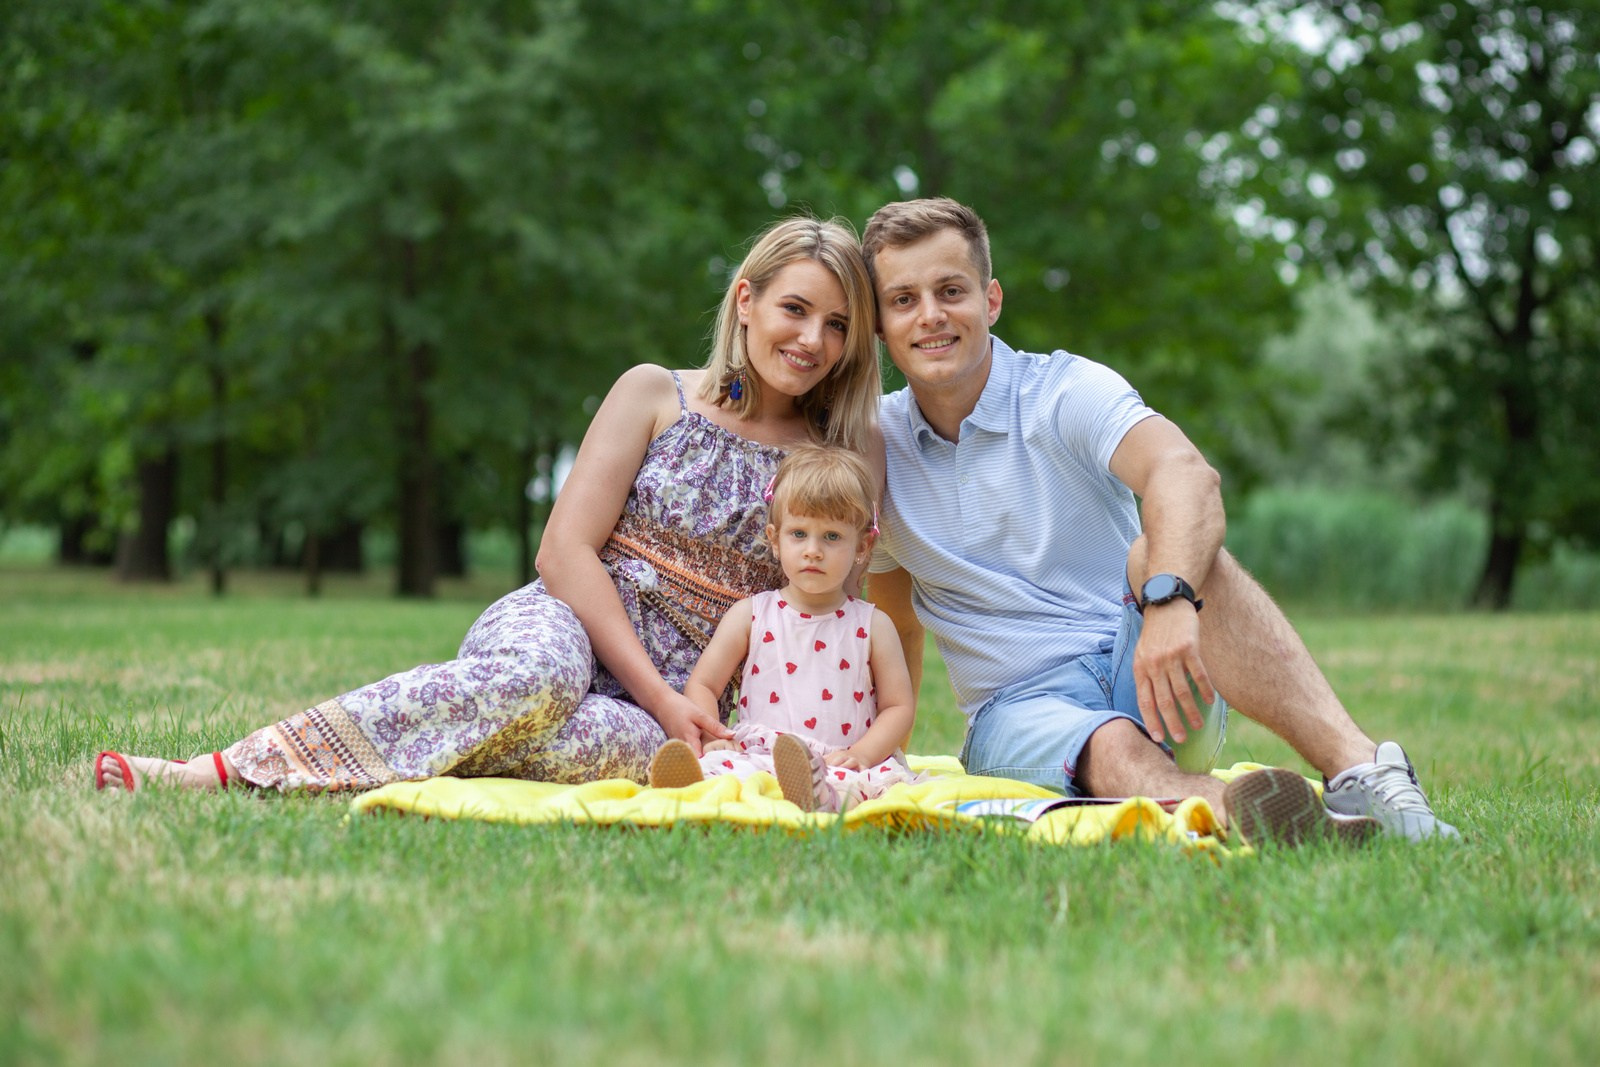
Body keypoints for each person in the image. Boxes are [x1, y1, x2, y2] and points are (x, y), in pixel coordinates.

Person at [93, 215, 883, 794]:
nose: (813, 337)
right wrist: (655, 691)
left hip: (686, 700)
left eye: (837, 324)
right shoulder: (655, 393)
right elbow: (563, 550)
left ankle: (379, 752)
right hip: (568, 623)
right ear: (746, 300)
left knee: (619, 753)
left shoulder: (834, 457)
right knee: (531, 683)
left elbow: (839, 610)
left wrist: (700, 711)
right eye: (795, 309)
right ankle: (221, 769)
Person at [860, 196, 1458, 845]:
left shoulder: (1064, 390)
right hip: (1017, 709)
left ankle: (1362, 770)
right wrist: (878, 748)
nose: (931, 316)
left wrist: (1170, 600)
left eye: (951, 290)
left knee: (1171, 552)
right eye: (904, 300)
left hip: (1149, 662)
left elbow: (1186, 473)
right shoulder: (876, 450)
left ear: (992, 299)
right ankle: (1250, 813)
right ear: (880, 324)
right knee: (1110, 740)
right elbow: (894, 620)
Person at [646, 444, 918, 812]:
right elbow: (705, 684)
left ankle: (819, 797)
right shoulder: (751, 615)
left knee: (858, 788)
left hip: (839, 760)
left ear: (862, 547)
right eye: (799, 534)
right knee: (725, 770)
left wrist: (862, 754)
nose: (813, 551)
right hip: (759, 754)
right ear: (775, 539)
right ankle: (692, 787)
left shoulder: (871, 625)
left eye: (832, 537)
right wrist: (714, 736)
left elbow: (898, 706)